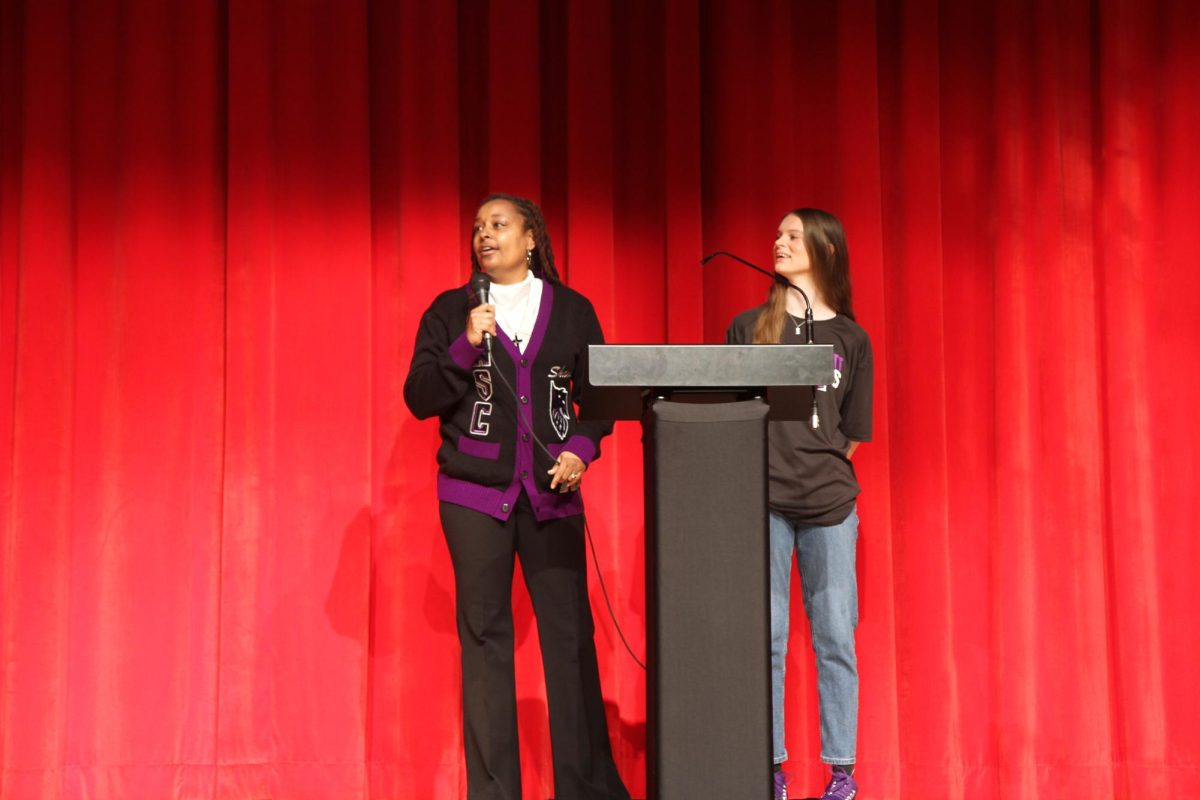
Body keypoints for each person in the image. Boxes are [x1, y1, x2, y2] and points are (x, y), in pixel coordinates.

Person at [404, 193, 630, 800]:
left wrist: (581, 449)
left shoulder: (574, 311)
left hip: (553, 494)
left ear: (531, 237)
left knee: (569, 640)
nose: (484, 235)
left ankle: (585, 790)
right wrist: (462, 345)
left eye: (498, 224)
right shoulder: (453, 311)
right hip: (474, 497)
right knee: (485, 643)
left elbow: (601, 398)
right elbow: (419, 394)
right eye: (477, 227)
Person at [725, 208, 873, 800]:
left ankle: (841, 773)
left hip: (830, 506)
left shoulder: (852, 338)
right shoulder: (747, 327)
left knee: (835, 634)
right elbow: (730, 415)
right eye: (778, 233)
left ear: (825, 250)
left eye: (792, 235)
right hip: (761, 500)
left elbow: (853, 431)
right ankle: (773, 769)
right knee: (767, 638)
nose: (778, 241)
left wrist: (816, 468)